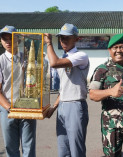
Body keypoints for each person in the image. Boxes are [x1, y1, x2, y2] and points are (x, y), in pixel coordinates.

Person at [89, 33, 123, 157]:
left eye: (122, 47)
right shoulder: (102, 70)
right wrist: (110, 92)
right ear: (109, 50)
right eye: (115, 47)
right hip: (112, 125)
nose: (119, 50)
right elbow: (92, 94)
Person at [44, 23, 89, 157]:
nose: (63, 41)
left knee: (76, 149)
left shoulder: (81, 56)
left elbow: (54, 63)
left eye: (67, 38)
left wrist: (49, 44)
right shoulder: (63, 58)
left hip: (75, 105)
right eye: (61, 38)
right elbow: (63, 88)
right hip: (63, 105)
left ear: (76, 39)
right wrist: (54, 107)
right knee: (63, 148)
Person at [0, 25, 36, 157]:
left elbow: (35, 83)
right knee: (11, 148)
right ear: (1, 41)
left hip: (27, 107)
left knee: (29, 147)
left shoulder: (28, 58)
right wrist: (9, 108)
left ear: (19, 39)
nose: (7, 42)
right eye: (4, 39)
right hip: (8, 109)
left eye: (10, 38)